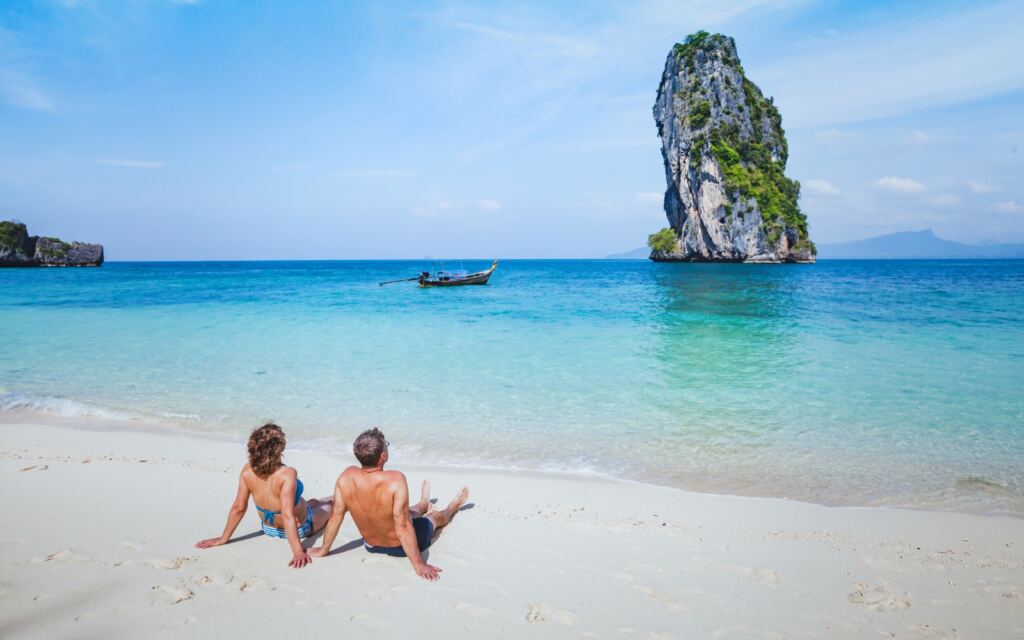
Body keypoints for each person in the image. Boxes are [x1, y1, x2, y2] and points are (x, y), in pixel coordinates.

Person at [311, 428, 468, 581]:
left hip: (371, 545)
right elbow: (403, 527)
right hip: (400, 548)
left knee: (406, 512)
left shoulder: (346, 477)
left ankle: (422, 504)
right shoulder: (395, 480)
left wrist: (324, 550)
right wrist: (419, 564)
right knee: (435, 517)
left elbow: (336, 517)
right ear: (383, 456)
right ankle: (452, 508)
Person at [195, 423, 333, 568]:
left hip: (268, 528)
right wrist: (298, 552)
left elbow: (238, 508)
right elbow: (287, 515)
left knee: (314, 502)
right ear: (280, 448)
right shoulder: (287, 474)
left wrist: (224, 538)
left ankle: (322, 500)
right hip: (301, 527)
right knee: (333, 504)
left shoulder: (247, 471)